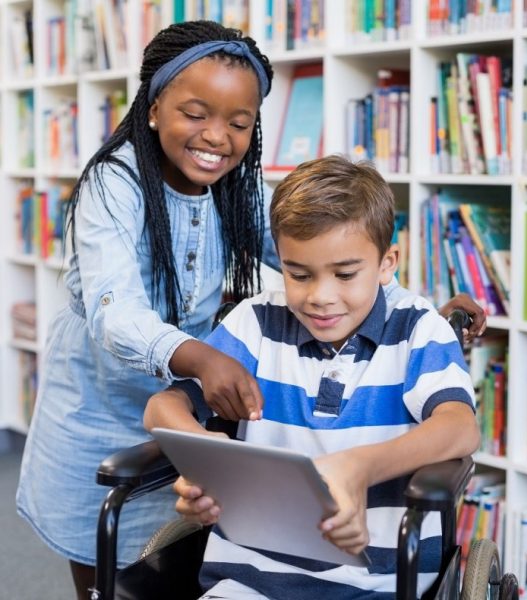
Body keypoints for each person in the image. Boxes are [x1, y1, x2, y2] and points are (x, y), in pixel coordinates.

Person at [16, 19, 484, 599]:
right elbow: (116, 314)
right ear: (154, 108)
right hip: (105, 404)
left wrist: (416, 309)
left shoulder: (239, 188)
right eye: (196, 114)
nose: (217, 137)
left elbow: (328, 248)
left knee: (189, 537)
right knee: (104, 571)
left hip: (204, 414)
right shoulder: (114, 185)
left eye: (239, 124)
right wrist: (202, 363)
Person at [144, 154, 482, 599]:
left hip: (377, 583)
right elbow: (163, 406)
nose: (321, 297)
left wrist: (358, 468)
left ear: (386, 263)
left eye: (345, 274)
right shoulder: (257, 322)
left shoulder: (417, 329)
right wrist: (206, 459)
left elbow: (459, 426)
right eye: (298, 274)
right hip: (246, 580)